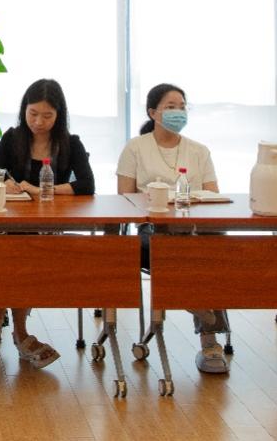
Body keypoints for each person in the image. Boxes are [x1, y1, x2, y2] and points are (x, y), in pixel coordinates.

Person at [0, 78, 92, 368]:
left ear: (59, 115)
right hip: (8, 220)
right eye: (33, 113)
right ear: (24, 110)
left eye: (47, 116)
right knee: (7, 246)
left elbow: (87, 184)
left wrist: (41, 190)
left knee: (25, 251)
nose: (38, 122)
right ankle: (19, 332)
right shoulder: (12, 138)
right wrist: (6, 184)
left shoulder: (70, 143)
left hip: (46, 226)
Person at [116, 82, 231, 374]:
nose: (178, 112)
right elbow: (124, 198)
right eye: (170, 107)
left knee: (215, 246)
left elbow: (213, 194)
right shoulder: (135, 147)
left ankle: (209, 340)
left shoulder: (199, 151)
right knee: (170, 248)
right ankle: (204, 319)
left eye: (182, 107)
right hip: (153, 227)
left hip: (195, 227)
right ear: (152, 112)